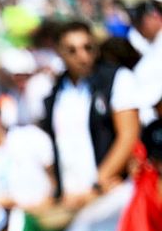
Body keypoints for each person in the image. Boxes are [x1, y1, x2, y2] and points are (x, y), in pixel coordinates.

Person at [41, 19, 140, 208]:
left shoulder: (116, 79)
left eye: (88, 48)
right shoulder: (55, 92)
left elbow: (128, 135)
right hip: (73, 198)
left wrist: (98, 183)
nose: (82, 56)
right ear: (59, 53)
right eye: (72, 50)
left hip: (111, 192)